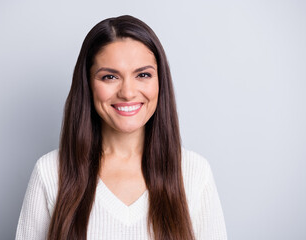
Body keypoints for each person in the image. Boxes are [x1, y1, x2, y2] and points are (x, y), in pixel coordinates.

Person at [15, 15, 227, 240]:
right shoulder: (50, 173)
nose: (127, 92)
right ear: (88, 85)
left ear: (160, 81)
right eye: (110, 77)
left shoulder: (194, 173)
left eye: (143, 75)